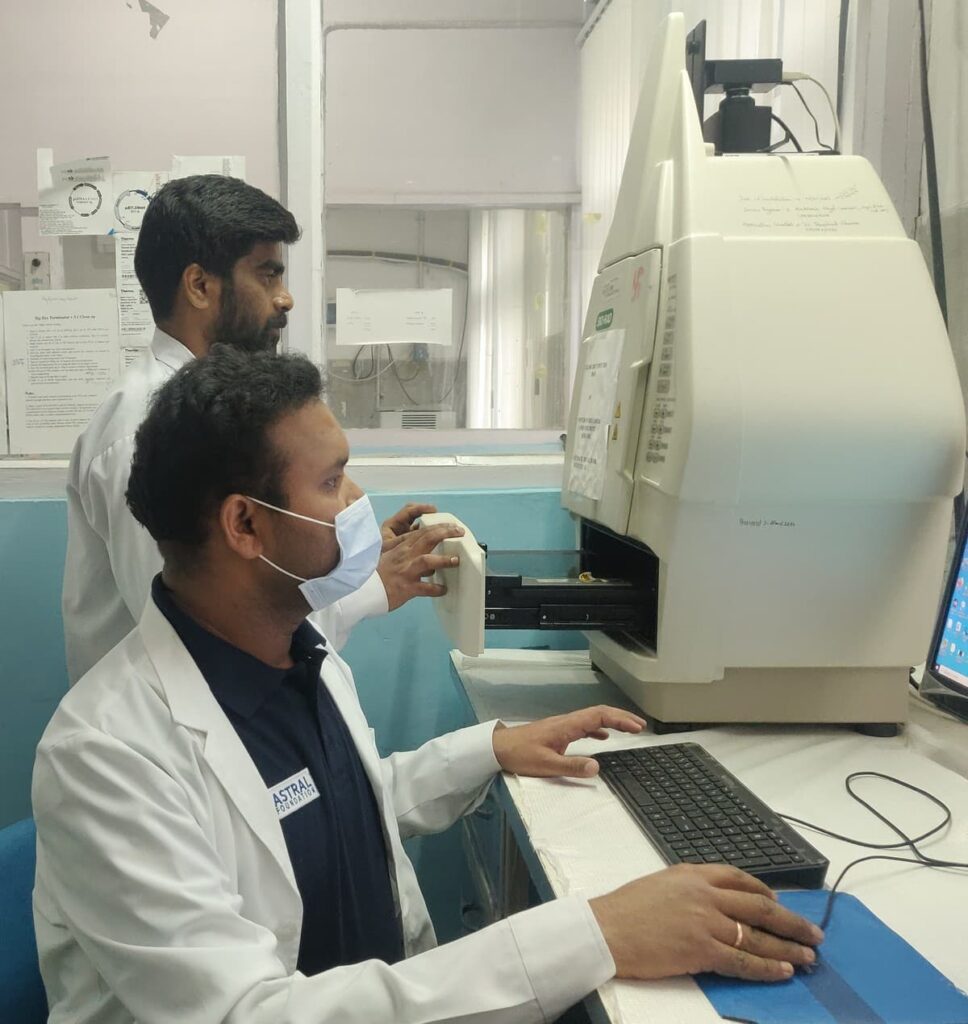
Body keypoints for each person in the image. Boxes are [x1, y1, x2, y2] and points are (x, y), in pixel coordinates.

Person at [33, 346, 823, 1024]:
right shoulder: (106, 755)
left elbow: (327, 806)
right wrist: (597, 932)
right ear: (245, 526)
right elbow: (249, 1014)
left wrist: (491, 748)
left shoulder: (296, 650)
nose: (357, 506)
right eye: (334, 482)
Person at [62, 174, 455, 684]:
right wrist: (370, 589)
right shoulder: (144, 429)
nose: (286, 299)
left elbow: (244, 582)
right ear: (200, 286)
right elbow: (201, 634)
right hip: (167, 737)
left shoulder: (211, 412)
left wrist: (340, 559)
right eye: (267, 275)